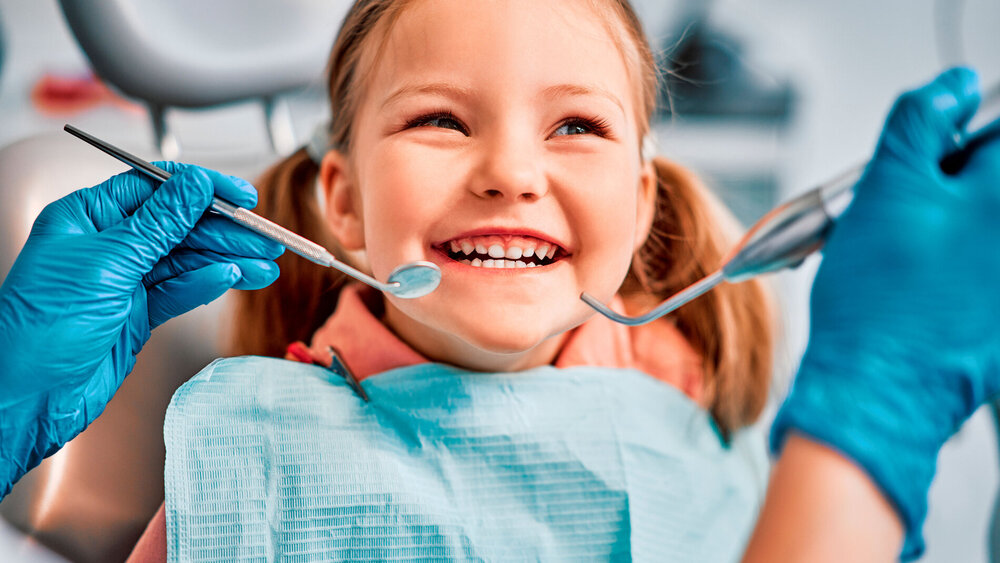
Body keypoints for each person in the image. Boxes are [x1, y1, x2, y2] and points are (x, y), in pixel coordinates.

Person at [0, 1, 995, 562]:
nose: (511, 172)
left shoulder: (695, 429)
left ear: (641, 201)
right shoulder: (247, 454)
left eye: (576, 126)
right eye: (439, 119)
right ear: (340, 202)